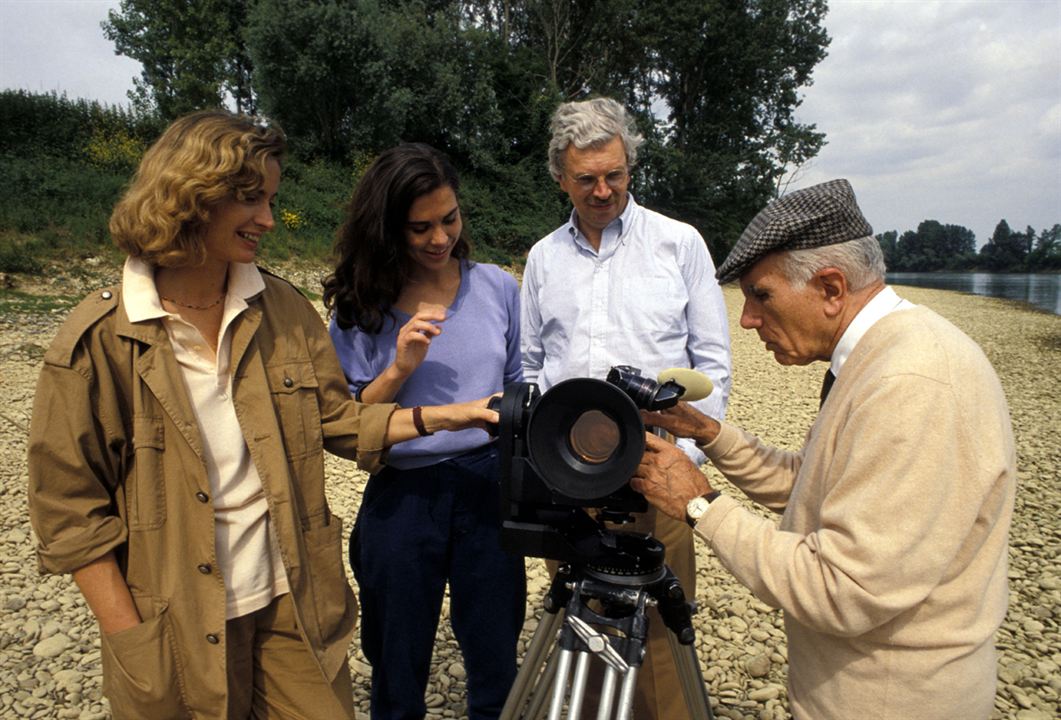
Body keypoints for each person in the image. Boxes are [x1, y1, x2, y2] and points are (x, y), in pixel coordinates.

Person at [26, 111, 496, 720]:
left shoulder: (283, 309)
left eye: (271, 199)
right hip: (173, 623)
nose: (269, 220)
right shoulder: (99, 338)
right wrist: (128, 634)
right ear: (189, 196)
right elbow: (66, 510)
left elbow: (340, 422)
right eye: (250, 199)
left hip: (292, 607)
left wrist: (452, 416)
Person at [631, 179, 1016, 720]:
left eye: (761, 296)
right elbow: (815, 482)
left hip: (893, 700)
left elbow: (843, 586)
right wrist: (708, 434)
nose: (746, 320)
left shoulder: (911, 382)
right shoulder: (877, 356)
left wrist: (701, 506)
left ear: (832, 287)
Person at [519, 96, 732, 718]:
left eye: (615, 174)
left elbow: (712, 365)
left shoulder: (679, 244)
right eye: (586, 178)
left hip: (659, 474)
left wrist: (682, 458)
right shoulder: (542, 259)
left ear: (631, 168)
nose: (603, 190)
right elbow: (533, 366)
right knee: (579, 640)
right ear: (561, 177)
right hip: (571, 476)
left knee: (662, 641)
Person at [323, 143, 526, 720]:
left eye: (450, 219)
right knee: (395, 650)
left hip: (488, 483)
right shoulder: (360, 307)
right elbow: (350, 422)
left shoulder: (497, 288)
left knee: (494, 646)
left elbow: (516, 384)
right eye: (420, 227)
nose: (440, 238)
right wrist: (401, 366)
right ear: (387, 229)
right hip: (404, 491)